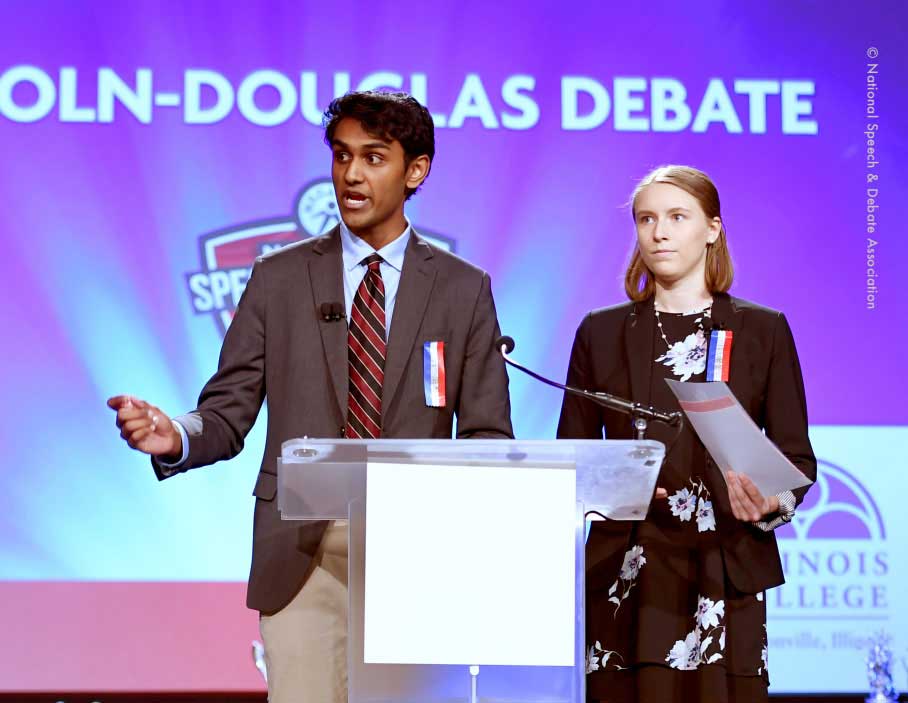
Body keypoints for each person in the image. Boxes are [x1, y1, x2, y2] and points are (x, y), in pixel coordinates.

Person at [108, 90, 513, 703]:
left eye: (374, 158)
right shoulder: (279, 277)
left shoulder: (463, 289)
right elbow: (227, 410)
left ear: (416, 171)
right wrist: (177, 437)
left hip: (414, 554)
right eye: (342, 155)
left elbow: (487, 436)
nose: (351, 174)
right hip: (300, 552)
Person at [557, 165, 815, 703]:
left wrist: (770, 501)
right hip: (627, 573)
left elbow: (795, 459)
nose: (660, 232)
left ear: (712, 229)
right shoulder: (599, 332)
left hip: (723, 566)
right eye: (646, 219)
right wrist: (612, 488)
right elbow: (572, 458)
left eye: (677, 217)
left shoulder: (762, 330)